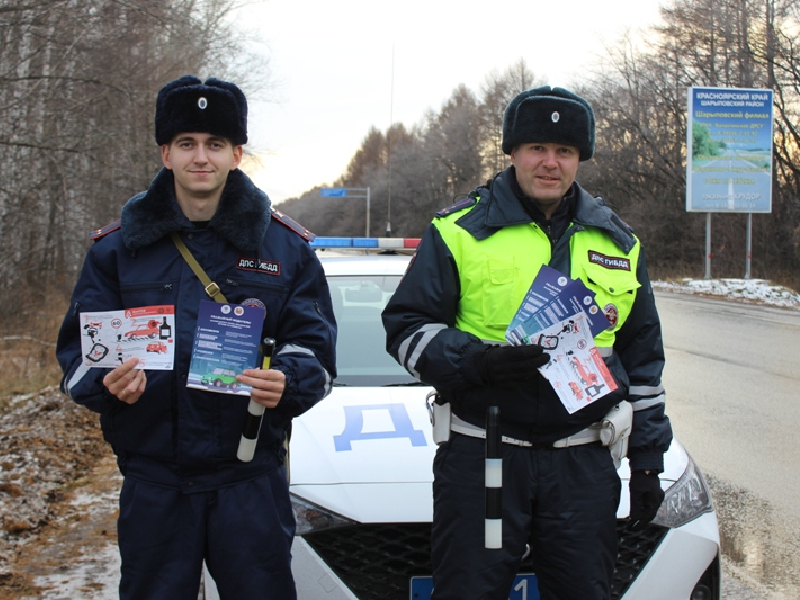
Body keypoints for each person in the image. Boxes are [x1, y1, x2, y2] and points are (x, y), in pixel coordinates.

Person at [382, 86, 672, 600]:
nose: (549, 163)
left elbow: (643, 361)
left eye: (564, 151)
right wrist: (479, 362)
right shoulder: (459, 231)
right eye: (537, 147)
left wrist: (648, 458)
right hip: (486, 456)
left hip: (583, 463)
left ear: (580, 159)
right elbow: (406, 328)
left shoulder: (619, 243)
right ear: (512, 152)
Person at [56, 75, 336, 600]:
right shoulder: (115, 251)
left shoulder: (285, 248)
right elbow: (75, 357)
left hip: (249, 482)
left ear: (237, 153)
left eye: (214, 144)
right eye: (186, 143)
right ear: (166, 153)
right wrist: (105, 383)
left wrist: (287, 379)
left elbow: (314, 347)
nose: (200, 157)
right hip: (155, 485)